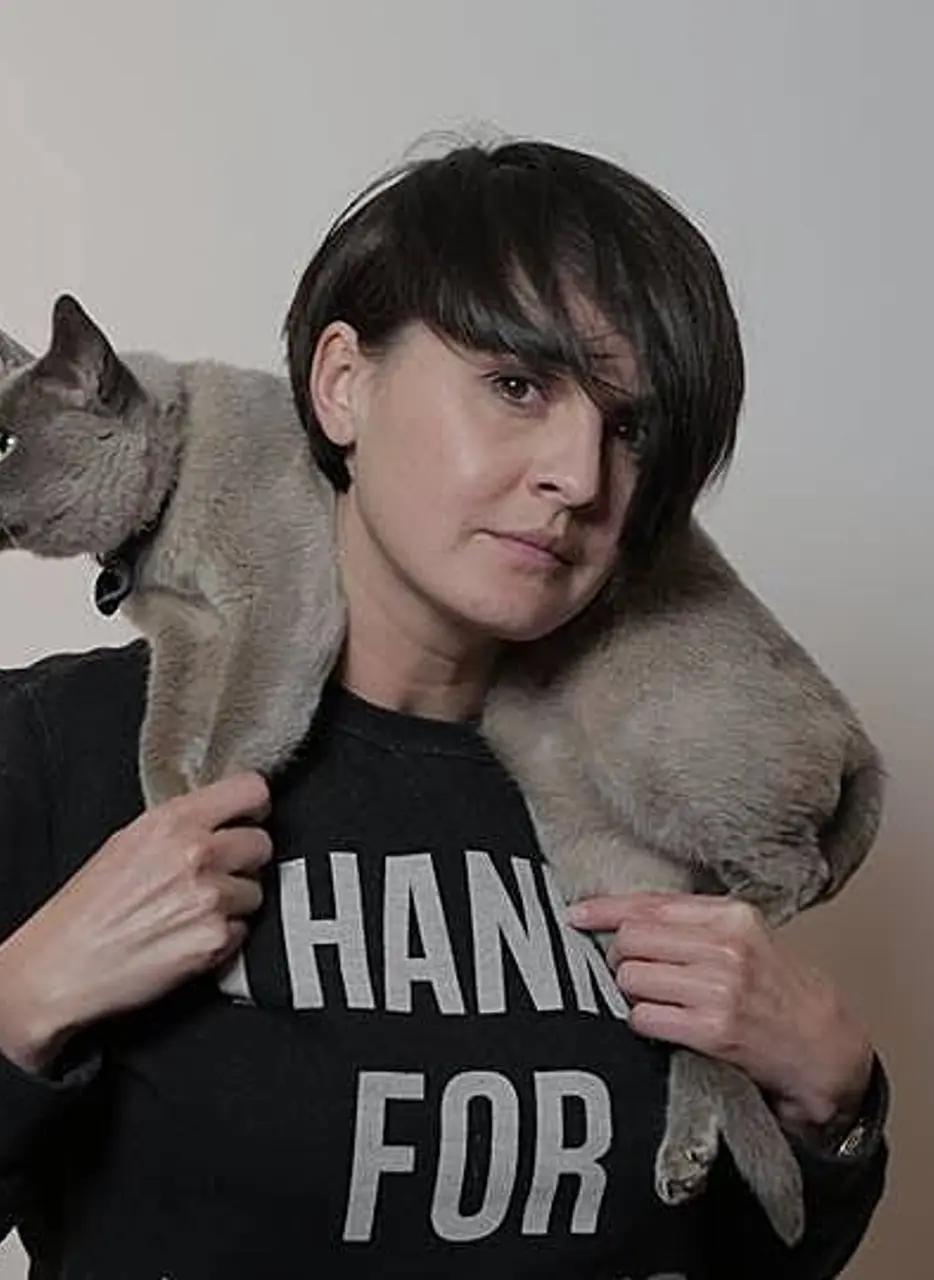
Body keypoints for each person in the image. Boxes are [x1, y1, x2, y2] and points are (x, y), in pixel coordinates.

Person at [0, 138, 887, 1279]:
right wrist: (23, 1001)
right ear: (342, 383)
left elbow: (715, 1250)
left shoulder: (644, 789)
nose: (579, 475)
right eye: (518, 386)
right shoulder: (55, 751)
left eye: (631, 428)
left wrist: (835, 1098)